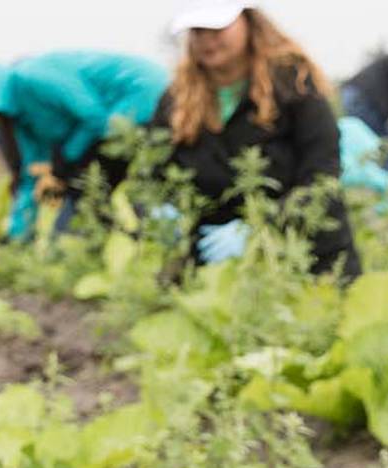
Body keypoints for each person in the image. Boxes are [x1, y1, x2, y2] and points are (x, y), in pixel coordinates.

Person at [138, 0, 360, 281]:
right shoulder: (177, 101)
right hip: (214, 268)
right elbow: (151, 173)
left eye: (216, 28)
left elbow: (321, 179)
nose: (207, 39)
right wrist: (158, 209)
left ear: (248, 20)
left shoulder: (295, 86)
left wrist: (258, 230)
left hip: (307, 258)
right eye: (197, 30)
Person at [0, 51, 168, 241]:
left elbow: (93, 115)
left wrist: (64, 163)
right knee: (81, 195)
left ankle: (159, 248)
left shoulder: (33, 77)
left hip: (143, 101)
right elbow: (31, 174)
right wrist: (18, 236)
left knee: (130, 189)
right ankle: (111, 247)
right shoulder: (21, 120)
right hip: (107, 125)